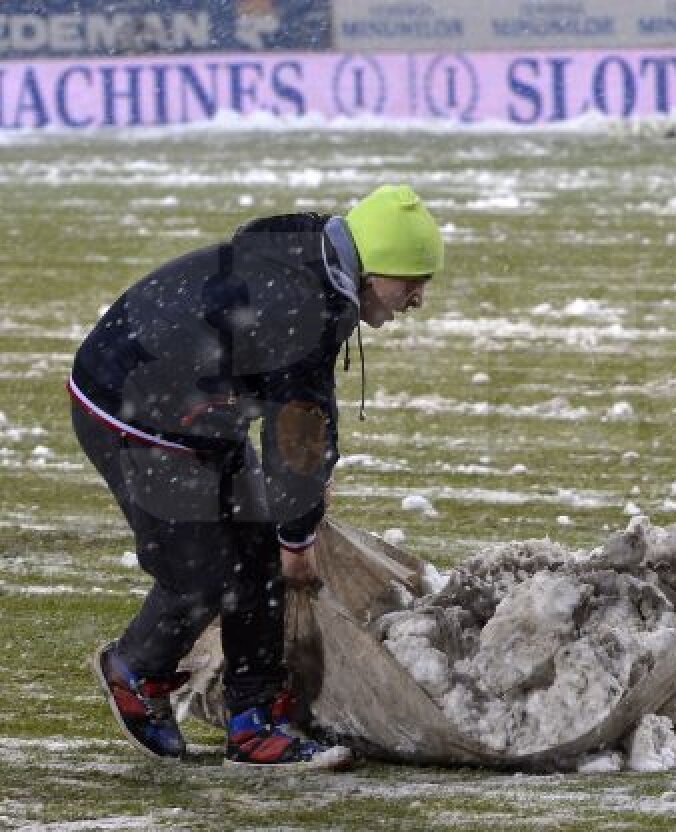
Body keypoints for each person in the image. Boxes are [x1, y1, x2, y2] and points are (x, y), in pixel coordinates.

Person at [69, 184, 444, 768]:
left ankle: (253, 720)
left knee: (258, 552)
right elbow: (298, 435)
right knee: (203, 569)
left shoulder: (319, 272)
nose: (418, 297)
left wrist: (293, 523)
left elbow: (300, 420)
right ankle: (135, 670)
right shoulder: (301, 304)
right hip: (129, 412)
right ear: (374, 268)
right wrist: (299, 538)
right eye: (412, 280)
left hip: (201, 409)